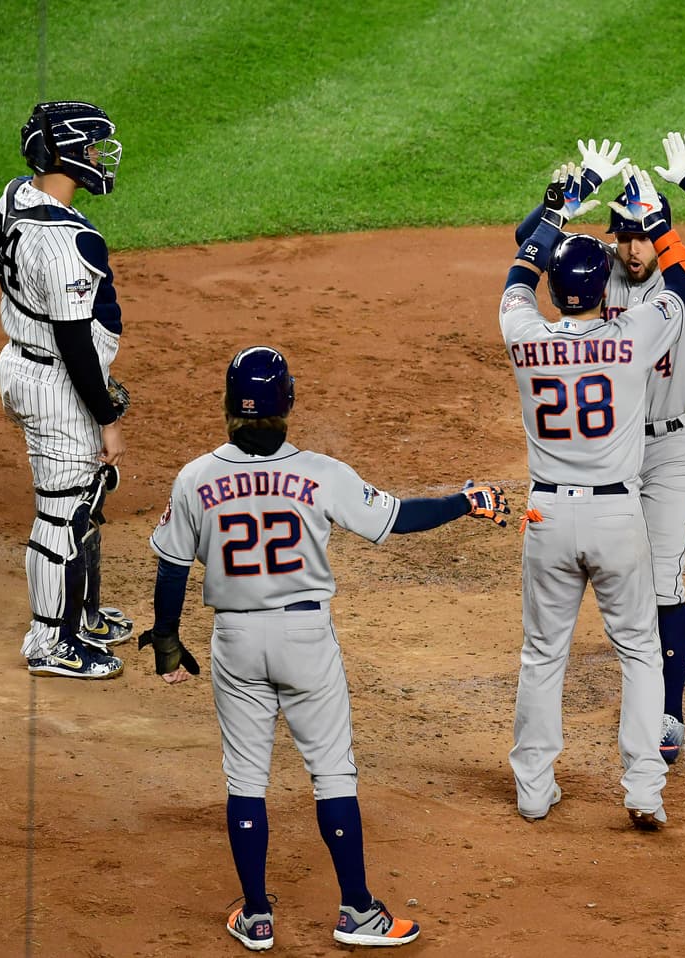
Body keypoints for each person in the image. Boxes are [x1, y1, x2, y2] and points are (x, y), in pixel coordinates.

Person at [142, 345, 509, 951]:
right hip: (305, 638)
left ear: (229, 407)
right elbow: (397, 519)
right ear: (288, 402)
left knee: (245, 779)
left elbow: (171, 568)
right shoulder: (320, 473)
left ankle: (257, 915)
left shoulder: (195, 477)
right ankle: (358, 911)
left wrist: (165, 645)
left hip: (234, 639)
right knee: (332, 773)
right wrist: (465, 502)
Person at [515, 134, 685, 764]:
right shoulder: (597, 275)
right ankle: (684, 636)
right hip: (610, 456)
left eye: (642, 235)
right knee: (640, 583)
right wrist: (568, 198)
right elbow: (528, 246)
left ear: (663, 232)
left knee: (661, 585)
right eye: (621, 235)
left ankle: (670, 714)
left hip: (671, 448)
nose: (630, 249)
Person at [502, 162, 685, 830]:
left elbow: (516, 277)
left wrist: (557, 206)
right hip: (617, 514)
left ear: (558, 290)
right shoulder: (634, 335)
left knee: (541, 654)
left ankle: (533, 789)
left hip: (547, 514)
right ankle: (644, 788)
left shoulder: (524, 335)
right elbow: (682, 287)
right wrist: (661, 225)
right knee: (641, 652)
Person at [0, 100, 134, 679]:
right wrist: (106, 414)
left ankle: (82, 616)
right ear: (70, 153)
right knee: (62, 511)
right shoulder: (66, 240)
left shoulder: (16, 196)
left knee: (87, 492)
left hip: (29, 361)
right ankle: (49, 643)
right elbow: (75, 339)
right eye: (95, 147)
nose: (102, 157)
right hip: (56, 380)